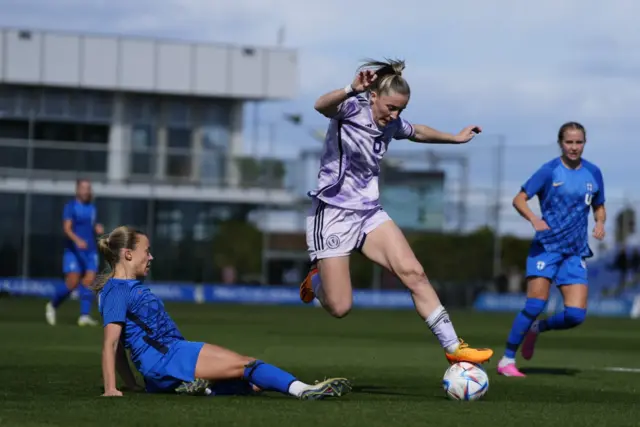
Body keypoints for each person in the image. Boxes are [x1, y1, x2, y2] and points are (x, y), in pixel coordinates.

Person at [298, 58, 493, 365]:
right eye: (391, 107)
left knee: (413, 272)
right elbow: (320, 105)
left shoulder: (391, 124)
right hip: (333, 213)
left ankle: (454, 347)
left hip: (368, 214)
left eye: (400, 109)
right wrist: (351, 89)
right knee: (340, 307)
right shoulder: (351, 110)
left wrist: (455, 138)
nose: (395, 115)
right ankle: (316, 280)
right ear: (373, 96)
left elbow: (418, 131)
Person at [94, 225, 352, 399]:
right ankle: (303, 390)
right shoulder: (118, 290)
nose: (150, 257)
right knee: (248, 365)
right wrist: (110, 388)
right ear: (127, 255)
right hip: (170, 358)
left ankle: (198, 389)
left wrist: (130, 384)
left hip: (164, 365)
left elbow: (118, 346)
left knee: (249, 382)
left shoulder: (120, 288)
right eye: (146, 251)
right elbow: (111, 344)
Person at [497, 121, 606, 377]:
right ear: (561, 143)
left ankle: (537, 329)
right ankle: (507, 360)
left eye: (579, 142)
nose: (574, 147)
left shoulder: (593, 172)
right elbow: (518, 199)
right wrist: (534, 219)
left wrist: (600, 222)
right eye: (569, 142)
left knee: (576, 316)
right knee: (535, 304)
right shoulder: (549, 171)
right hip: (546, 248)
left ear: (584, 143)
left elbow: (599, 205)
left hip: (575, 252)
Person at [46, 179, 103, 327]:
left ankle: (84, 316)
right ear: (77, 190)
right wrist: (77, 240)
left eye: (88, 188)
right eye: (83, 188)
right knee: (72, 282)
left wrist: (97, 228)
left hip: (90, 250)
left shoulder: (92, 208)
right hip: (74, 250)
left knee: (90, 280)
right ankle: (52, 305)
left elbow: (91, 226)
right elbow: (67, 228)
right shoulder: (70, 207)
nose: (86, 191)